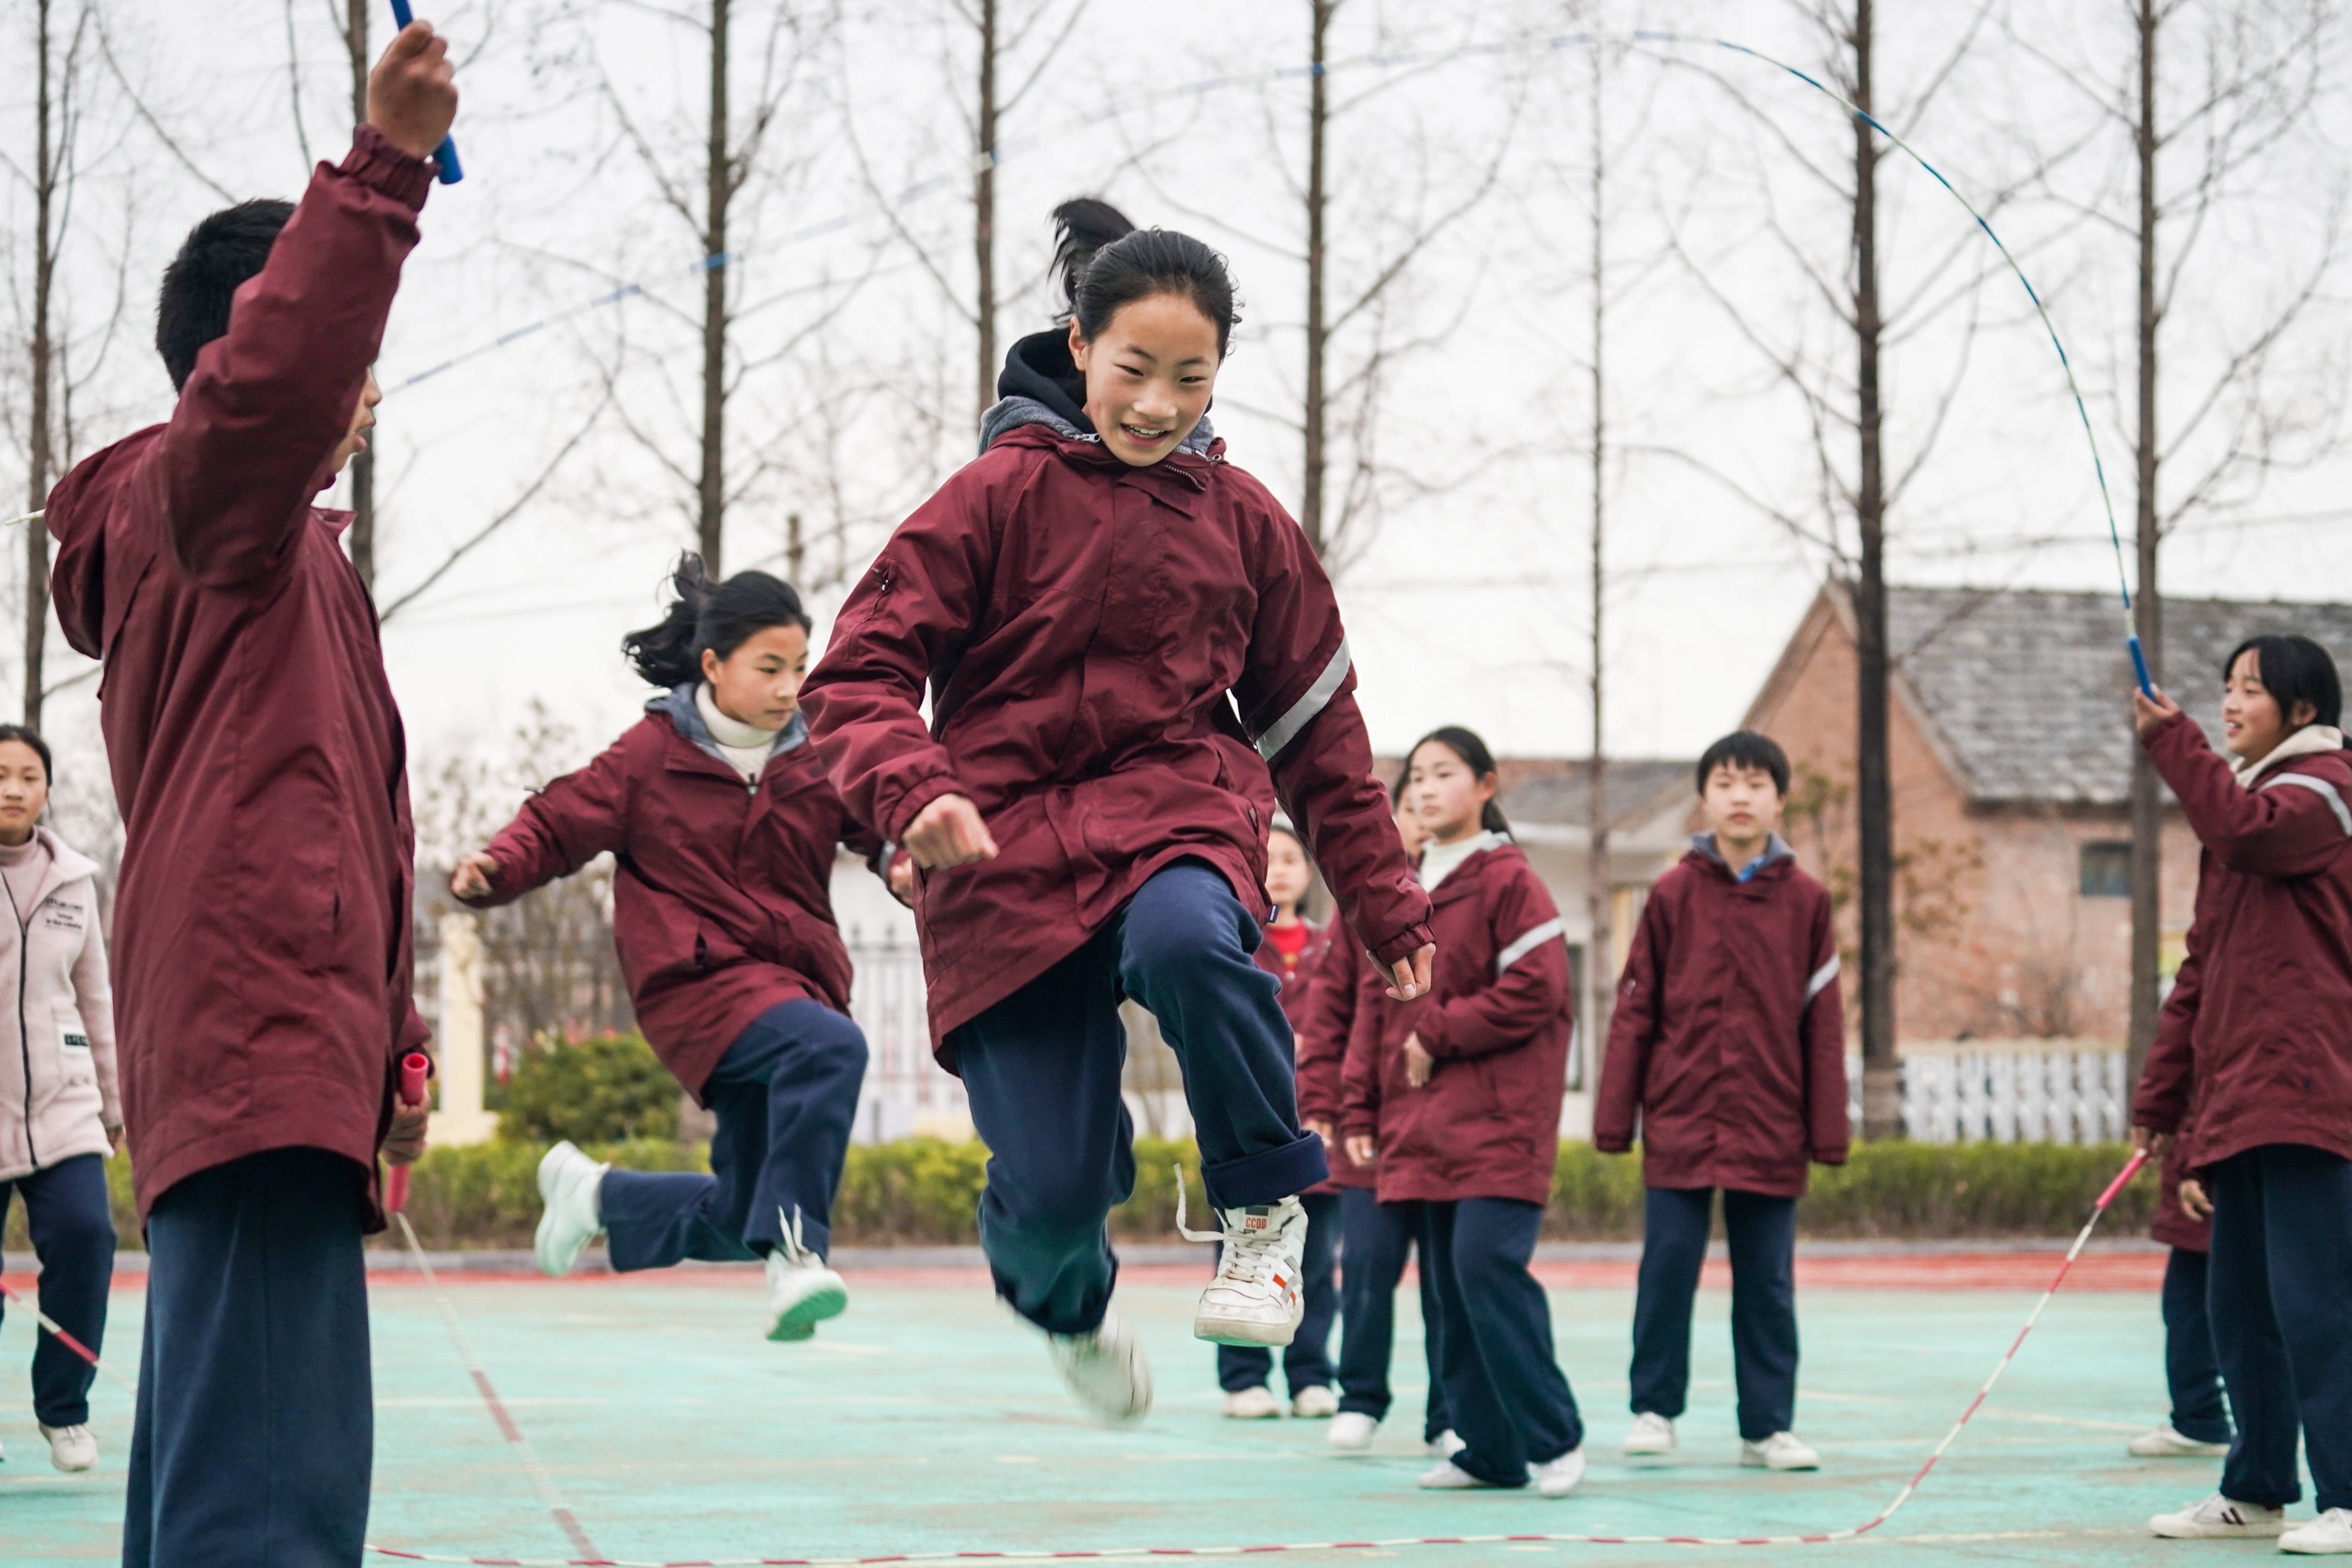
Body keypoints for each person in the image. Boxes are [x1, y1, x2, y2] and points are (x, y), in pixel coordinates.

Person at [801, 197, 1433, 1422]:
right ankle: (1067, 1301)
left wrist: (1388, 897)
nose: (1157, 405)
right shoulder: (989, 499)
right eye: (1135, 369)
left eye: (1190, 380)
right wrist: (912, 788)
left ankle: (1261, 1210)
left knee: (1192, 937)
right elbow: (859, 675)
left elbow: (1317, 732)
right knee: (1050, 1188)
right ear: (1080, 348)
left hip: (1173, 808)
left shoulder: (1244, 522)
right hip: (1001, 847)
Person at [41, 24, 454, 1565]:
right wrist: (381, 174)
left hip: (284, 1036)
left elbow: (344, 820)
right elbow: (266, 394)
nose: (361, 399)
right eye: (347, 365)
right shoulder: (214, 505)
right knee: (269, 1490)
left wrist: (392, 1047)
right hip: (257, 1024)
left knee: (226, 1451)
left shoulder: (275, 562)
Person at [453, 557, 902, 1342]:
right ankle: (801, 1252)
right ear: (713, 665)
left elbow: (884, 829)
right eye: (768, 668)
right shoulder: (649, 755)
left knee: (739, 1218)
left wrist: (914, 860)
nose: (789, 686)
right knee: (832, 1051)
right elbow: (559, 821)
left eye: (799, 666)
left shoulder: (816, 754)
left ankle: (596, 1195)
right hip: (696, 983)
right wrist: (497, 867)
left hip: (789, 989)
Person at [2132, 634, 2352, 1554]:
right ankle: (2256, 1485)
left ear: (2302, 711)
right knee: (2241, 1307)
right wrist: (2162, 1101)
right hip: (2238, 1100)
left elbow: (2240, 829)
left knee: (2318, 1304)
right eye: (2224, 688)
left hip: (2309, 1092)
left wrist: (2171, 738)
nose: (2228, 703)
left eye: (2249, 689)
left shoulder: (2323, 793)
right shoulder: (2244, 808)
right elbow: (2200, 967)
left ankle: (2345, 1493)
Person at [1593, 729, 1846, 1474]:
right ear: (1705, 797)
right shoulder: (1672, 893)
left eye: (1757, 783)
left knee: (1767, 1282)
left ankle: (1768, 1426)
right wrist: (1616, 1119)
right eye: (1727, 782)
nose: (1742, 796)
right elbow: (1635, 1009)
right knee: (1667, 1269)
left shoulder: (1807, 899)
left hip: (1772, 1119)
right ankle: (1653, 1410)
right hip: (1681, 1114)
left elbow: (1823, 1023)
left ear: (1780, 797)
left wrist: (1826, 1131)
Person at [1340, 726, 1583, 1497]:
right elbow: (1379, 1016)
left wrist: (1439, 1031)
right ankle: (1489, 1450)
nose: (1425, 787)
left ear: (1486, 785)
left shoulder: (1513, 880)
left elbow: (1540, 987)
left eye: (1444, 772)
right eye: (1416, 775)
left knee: (1486, 1269)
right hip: (1421, 1126)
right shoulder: (1403, 889)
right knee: (1446, 1288)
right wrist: (1368, 1110)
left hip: (1499, 1123)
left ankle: (1556, 1437)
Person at [1307, 783, 1454, 1457]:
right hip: (1370, 1121)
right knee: (1365, 1264)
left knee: (1448, 1280)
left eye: (1435, 792)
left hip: (1448, 1123)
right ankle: (1361, 1397)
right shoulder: (1357, 907)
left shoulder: (1473, 893)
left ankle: (1448, 1413)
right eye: (1409, 801)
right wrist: (1319, 1101)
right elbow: (1328, 1009)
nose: (1421, 809)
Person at [0, 727, 119, 1474]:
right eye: (0, 773)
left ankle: (63, 1408)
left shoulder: (75, 880)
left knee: (87, 1237)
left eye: (27, 776)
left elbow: (95, 995)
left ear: (47, 793)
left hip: (60, 1105)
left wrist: (112, 1098)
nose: (12, 787)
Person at [1219, 818, 1341, 1420]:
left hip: (1319, 1126)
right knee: (1243, 1250)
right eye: (1271, 857)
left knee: (1316, 1262)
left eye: (1293, 859)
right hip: (1246, 1129)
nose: (1282, 869)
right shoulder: (1231, 942)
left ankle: (1310, 1375)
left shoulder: (1332, 949)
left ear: (1309, 872)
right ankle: (1243, 1378)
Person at [2126, 1132, 2232, 1461]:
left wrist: (2190, 1168)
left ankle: (2201, 1418)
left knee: (2190, 1304)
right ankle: (2203, 1417)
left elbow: (2201, 1094)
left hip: (2217, 1171)